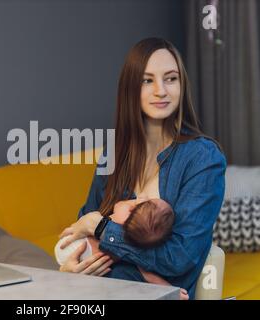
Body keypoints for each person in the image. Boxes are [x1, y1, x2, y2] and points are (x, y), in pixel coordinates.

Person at [57, 37, 226, 300]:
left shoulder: (203, 158)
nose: (161, 90)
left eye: (170, 78)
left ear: (182, 85)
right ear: (131, 89)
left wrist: (101, 228)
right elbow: (80, 228)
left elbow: (179, 258)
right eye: (147, 80)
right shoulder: (114, 153)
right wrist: (69, 270)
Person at [55, 198, 189, 300]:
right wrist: (172, 290)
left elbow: (118, 205)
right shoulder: (133, 250)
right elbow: (147, 274)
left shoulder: (122, 216)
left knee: (94, 215)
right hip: (86, 260)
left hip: (73, 246)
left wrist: (136, 201)